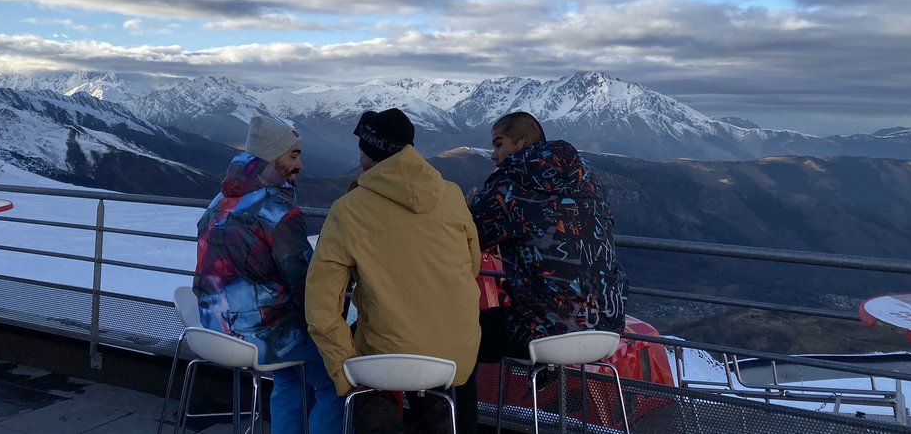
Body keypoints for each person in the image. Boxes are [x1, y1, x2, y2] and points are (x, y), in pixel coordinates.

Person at [305, 108, 481, 434]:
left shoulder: (348, 210)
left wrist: (344, 374)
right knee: (430, 385)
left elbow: (320, 308)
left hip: (387, 357)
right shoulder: (452, 195)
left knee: (369, 384)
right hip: (453, 358)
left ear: (367, 152)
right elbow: (472, 266)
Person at [456, 110, 628, 433]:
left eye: (499, 144)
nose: (493, 156)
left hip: (544, 330)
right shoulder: (588, 180)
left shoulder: (509, 188)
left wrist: (467, 210)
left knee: (457, 338)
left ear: (521, 143)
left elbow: (466, 238)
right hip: (606, 326)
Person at [193, 116, 344, 434]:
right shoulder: (277, 212)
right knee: (335, 382)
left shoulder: (219, 201)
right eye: (293, 155)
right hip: (261, 335)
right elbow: (304, 282)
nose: (300, 164)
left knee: (292, 376)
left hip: (214, 328)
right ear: (271, 157)